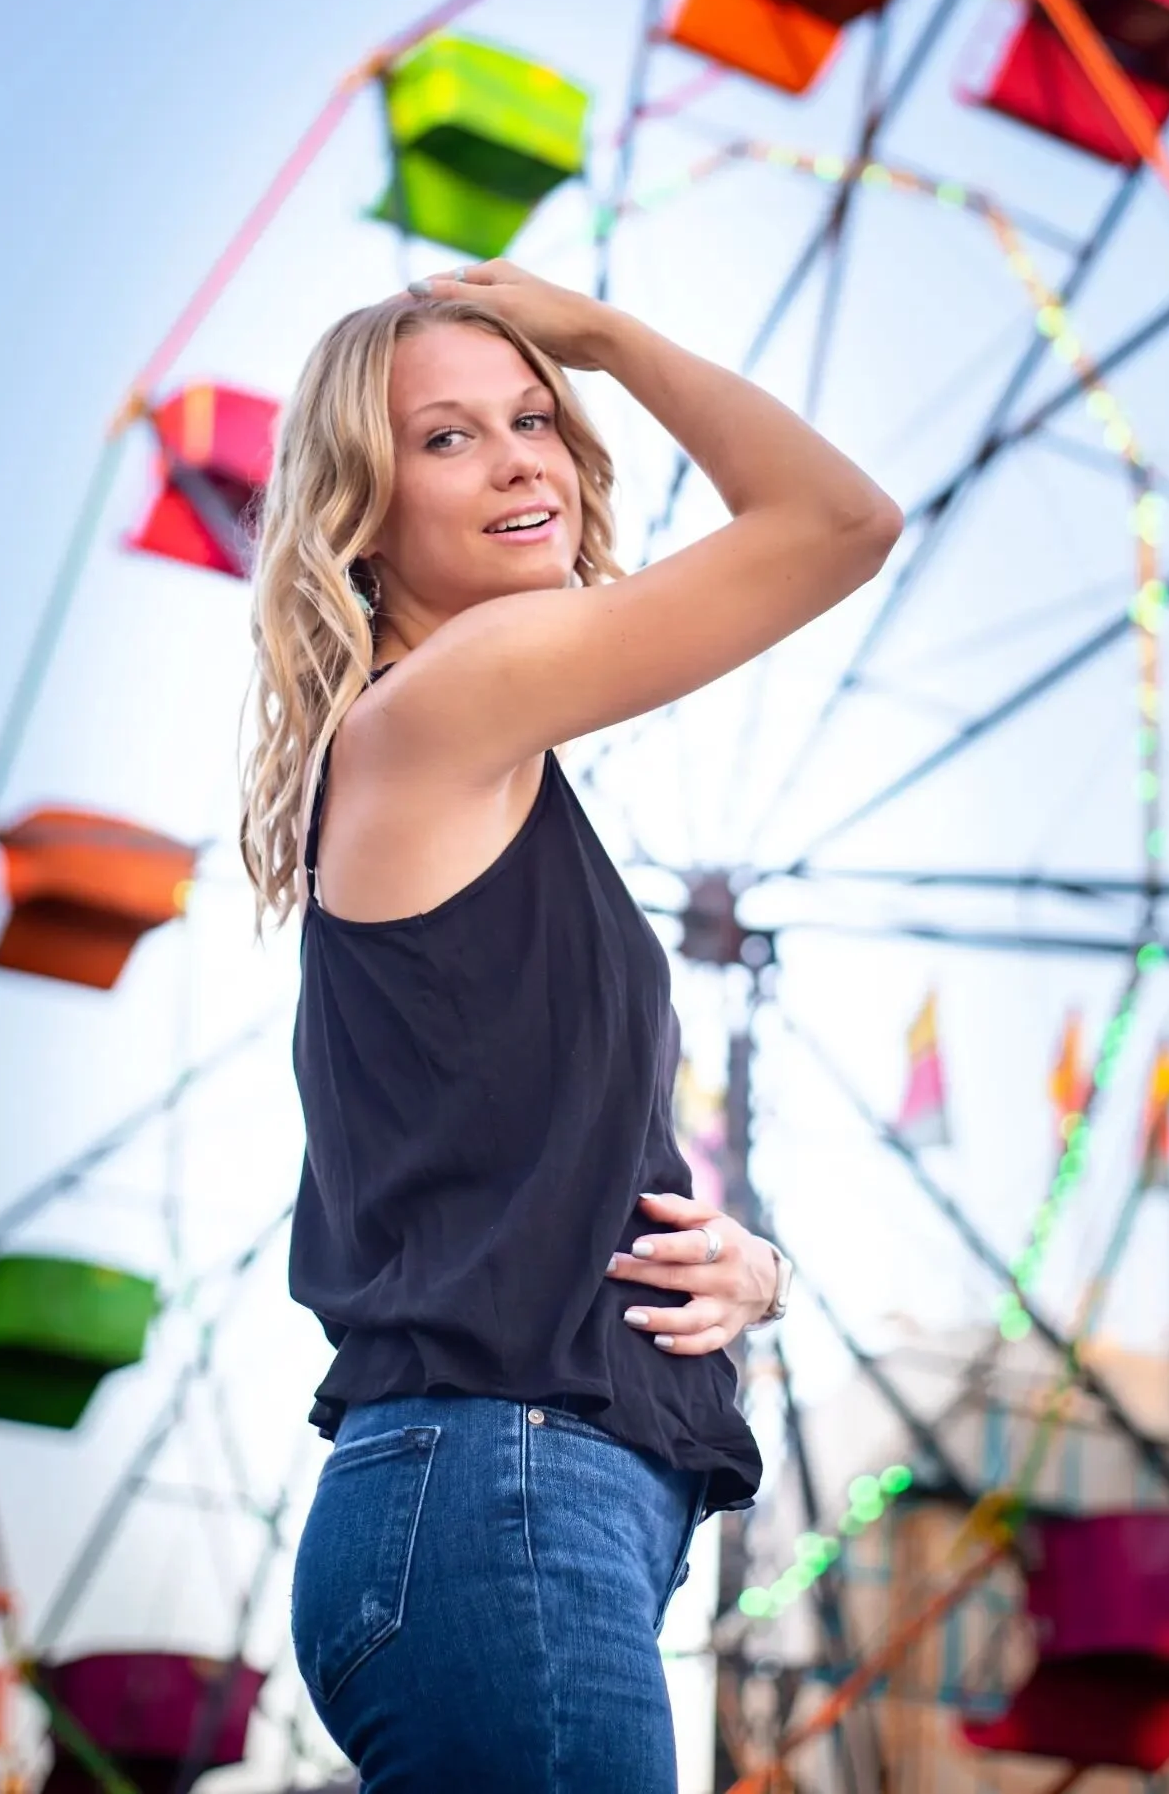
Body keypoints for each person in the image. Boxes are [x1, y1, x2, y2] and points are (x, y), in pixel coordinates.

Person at [238, 260, 903, 1793]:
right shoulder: (444, 701)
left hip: (513, 1508)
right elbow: (838, 523)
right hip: (498, 1498)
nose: (524, 455)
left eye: (537, 413)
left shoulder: (461, 759)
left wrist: (747, 1268)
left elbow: (501, 1162)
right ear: (360, 508)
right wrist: (601, 333)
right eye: (448, 437)